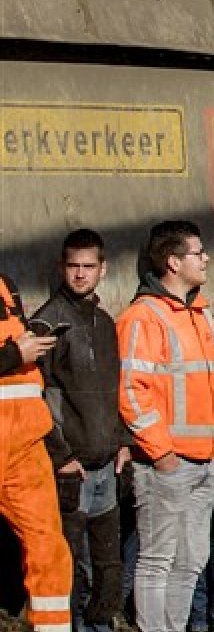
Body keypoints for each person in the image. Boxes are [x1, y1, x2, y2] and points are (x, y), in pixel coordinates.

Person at [119, 221, 214, 632]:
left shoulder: (199, 313)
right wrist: (161, 454)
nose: (206, 259)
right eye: (198, 253)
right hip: (169, 462)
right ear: (173, 262)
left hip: (203, 460)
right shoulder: (144, 317)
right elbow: (131, 391)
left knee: (190, 560)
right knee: (158, 559)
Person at [33, 230, 126, 632]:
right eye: (74, 266)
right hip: (71, 467)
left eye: (89, 267)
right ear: (62, 267)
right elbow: (34, 398)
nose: (81, 275)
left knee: (108, 566)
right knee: (72, 567)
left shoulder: (105, 322)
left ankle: (101, 625)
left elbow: (113, 388)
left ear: (102, 270)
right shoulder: (47, 324)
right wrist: (62, 456)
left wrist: (122, 441)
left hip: (106, 461)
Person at [3, 261, 74, 632]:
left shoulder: (4, 282)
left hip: (26, 438)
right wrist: (16, 354)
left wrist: (59, 452)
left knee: (48, 545)